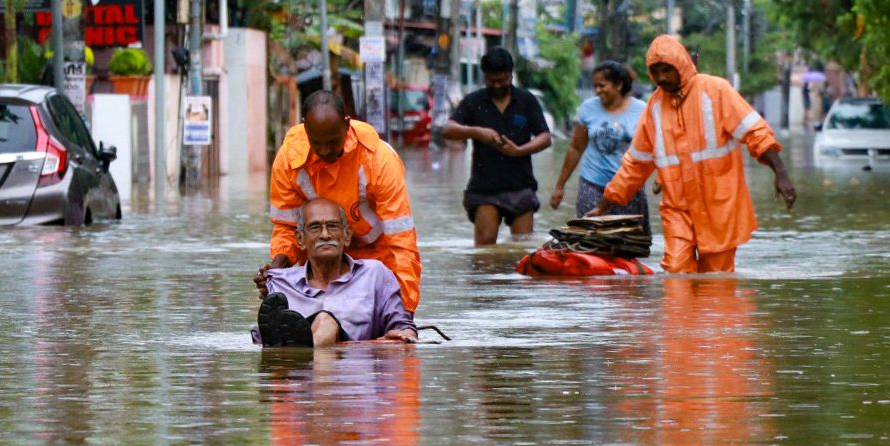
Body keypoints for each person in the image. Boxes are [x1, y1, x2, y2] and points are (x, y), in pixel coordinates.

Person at [587, 34, 797, 273]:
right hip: (678, 209)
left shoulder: (716, 91)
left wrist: (781, 173)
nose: (662, 78)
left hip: (719, 208)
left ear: (681, 66)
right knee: (676, 273)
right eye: (655, 72)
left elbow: (755, 133)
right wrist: (604, 206)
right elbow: (635, 164)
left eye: (667, 70)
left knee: (717, 281)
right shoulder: (654, 108)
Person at [255, 90, 421, 312]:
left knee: (381, 310)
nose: (324, 150)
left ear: (347, 125)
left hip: (375, 259)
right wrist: (277, 270)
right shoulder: (288, 160)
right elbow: (287, 228)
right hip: (320, 262)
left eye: (333, 142)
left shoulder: (379, 159)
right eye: (317, 142)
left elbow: (402, 244)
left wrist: (404, 312)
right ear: (305, 128)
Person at [254, 198, 418, 347]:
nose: (325, 235)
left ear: (347, 235)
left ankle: (306, 350)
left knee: (325, 320)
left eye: (332, 226)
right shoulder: (281, 283)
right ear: (300, 239)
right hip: (298, 374)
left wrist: (403, 336)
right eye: (315, 227)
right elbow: (260, 340)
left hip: (355, 368)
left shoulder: (375, 274)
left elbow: (403, 327)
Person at [441, 46, 552, 245]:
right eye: (493, 81)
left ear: (511, 75)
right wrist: (476, 132)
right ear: (485, 77)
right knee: (485, 245)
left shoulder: (526, 101)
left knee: (522, 246)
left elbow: (545, 137)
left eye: (504, 80)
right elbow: (447, 128)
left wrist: (520, 151)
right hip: (485, 188)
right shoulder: (474, 101)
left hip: (520, 185)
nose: (499, 85)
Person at [549, 60, 650, 235]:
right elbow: (575, 148)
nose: (597, 91)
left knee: (632, 241)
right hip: (592, 184)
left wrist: (661, 180)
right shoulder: (588, 108)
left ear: (618, 85)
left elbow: (653, 150)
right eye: (594, 86)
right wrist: (560, 186)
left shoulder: (642, 110)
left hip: (628, 188)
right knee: (591, 239)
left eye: (602, 86)